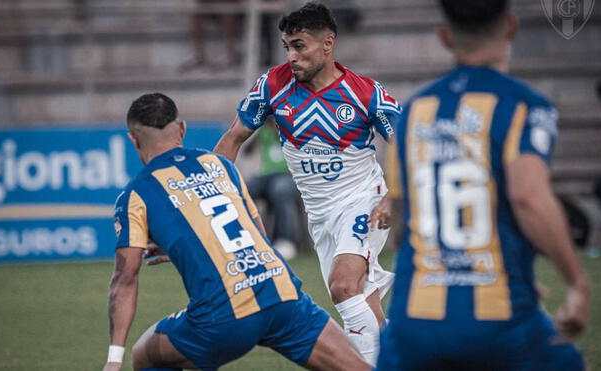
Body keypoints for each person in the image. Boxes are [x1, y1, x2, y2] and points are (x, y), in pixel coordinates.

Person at [376, 0, 591, 369]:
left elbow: (402, 221)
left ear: (444, 37)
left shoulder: (413, 111)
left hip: (413, 321)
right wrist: (577, 281)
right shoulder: (525, 105)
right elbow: (528, 196)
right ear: (511, 28)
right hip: (500, 317)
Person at [102, 93, 370, 371]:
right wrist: (192, 243)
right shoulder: (218, 165)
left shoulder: (136, 194)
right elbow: (258, 234)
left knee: (144, 355)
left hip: (222, 318)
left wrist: (113, 358)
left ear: (133, 140)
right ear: (182, 128)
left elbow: (126, 276)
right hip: (281, 294)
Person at [213, 2, 401, 365]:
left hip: (362, 199)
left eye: (299, 45)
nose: (291, 56)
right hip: (320, 214)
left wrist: (393, 196)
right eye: (287, 46)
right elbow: (233, 139)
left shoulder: (366, 93)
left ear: (327, 44)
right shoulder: (272, 86)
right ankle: (411, 354)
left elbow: (407, 145)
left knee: (344, 286)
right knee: (362, 303)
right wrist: (210, 189)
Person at [245, 118, 302, 260]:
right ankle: (245, 238)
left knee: (280, 190)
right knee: (244, 190)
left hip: (287, 174)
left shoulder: (290, 126)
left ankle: (285, 240)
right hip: (266, 174)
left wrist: (276, 126)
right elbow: (247, 150)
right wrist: (255, 131)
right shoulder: (263, 129)